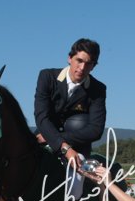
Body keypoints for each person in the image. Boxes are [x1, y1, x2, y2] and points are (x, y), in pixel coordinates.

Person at [34, 38, 106, 171]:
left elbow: (96, 130)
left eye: (88, 64)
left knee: (76, 178)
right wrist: (58, 142)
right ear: (69, 58)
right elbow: (41, 117)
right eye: (79, 60)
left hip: (77, 147)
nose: (82, 68)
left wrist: (56, 139)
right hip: (41, 138)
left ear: (93, 66)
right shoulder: (47, 77)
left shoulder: (98, 89)